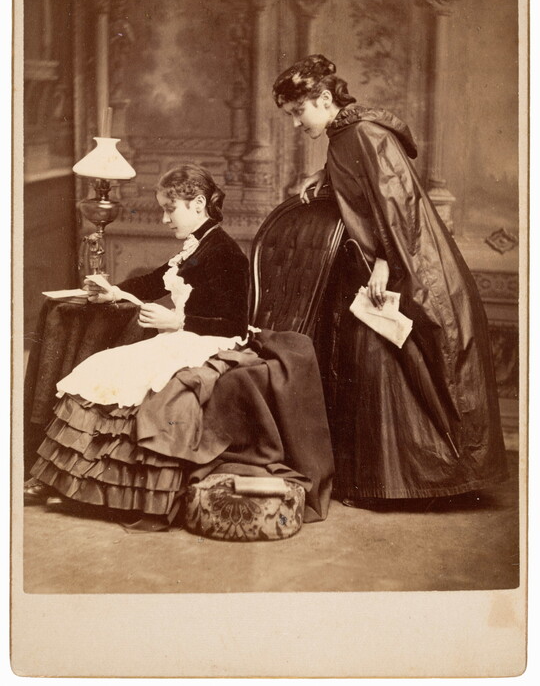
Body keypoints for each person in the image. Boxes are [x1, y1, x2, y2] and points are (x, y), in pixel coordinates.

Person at [24, 163, 334, 528]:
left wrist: (178, 322)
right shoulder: (195, 246)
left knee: (131, 378)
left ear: (198, 203)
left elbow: (234, 323)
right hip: (185, 337)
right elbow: (155, 281)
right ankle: (72, 483)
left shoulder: (225, 252)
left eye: (170, 209)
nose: (164, 219)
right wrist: (113, 290)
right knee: (99, 368)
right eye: (163, 210)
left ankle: (105, 489)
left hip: (210, 341)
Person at [272, 54, 508, 504]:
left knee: (400, 355)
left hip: (410, 260)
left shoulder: (365, 133)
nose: (297, 124)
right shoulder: (344, 135)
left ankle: (425, 482)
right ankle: (385, 483)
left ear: (324, 99)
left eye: (298, 112)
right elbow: (358, 185)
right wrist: (320, 178)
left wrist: (384, 261)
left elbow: (397, 205)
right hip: (390, 256)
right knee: (372, 357)